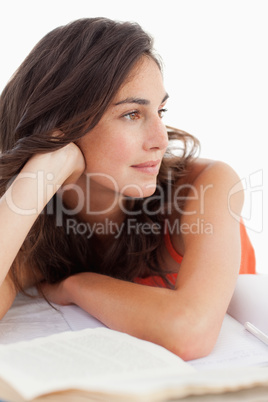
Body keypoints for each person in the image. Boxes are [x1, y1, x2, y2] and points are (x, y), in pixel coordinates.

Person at [0, 17, 255, 360]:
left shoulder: (206, 185)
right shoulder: (36, 226)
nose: (161, 140)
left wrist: (78, 285)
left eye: (160, 111)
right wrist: (45, 169)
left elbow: (190, 332)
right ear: (62, 128)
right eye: (132, 114)